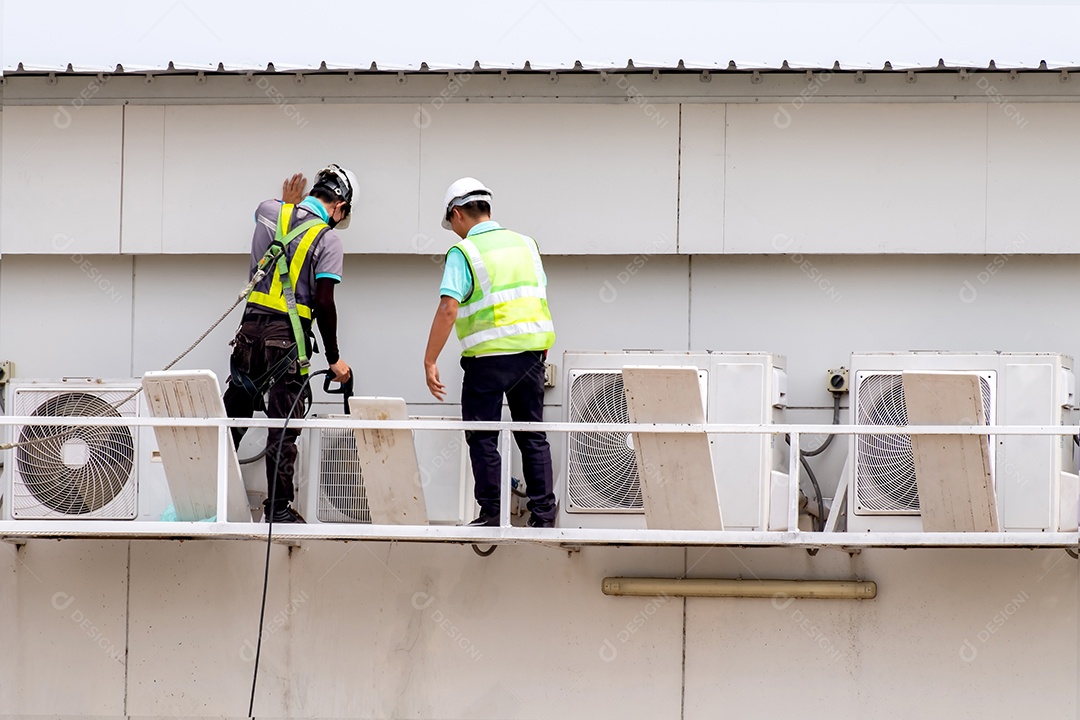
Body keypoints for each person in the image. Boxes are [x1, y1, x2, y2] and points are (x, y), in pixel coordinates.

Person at [223, 166, 356, 523]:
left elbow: (274, 216)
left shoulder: (269, 210)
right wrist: (334, 358)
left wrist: (288, 204)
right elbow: (324, 302)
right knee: (283, 429)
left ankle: (209, 496)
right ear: (340, 206)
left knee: (231, 420)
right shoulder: (328, 240)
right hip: (286, 341)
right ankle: (278, 510)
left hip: (249, 334)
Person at [423, 178, 558, 528]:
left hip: (486, 362)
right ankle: (544, 515)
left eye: (451, 223)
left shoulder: (465, 251)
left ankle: (493, 514)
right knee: (532, 434)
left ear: (457, 213)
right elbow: (538, 296)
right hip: (530, 357)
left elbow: (448, 309)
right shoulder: (527, 244)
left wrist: (430, 360)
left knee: (482, 436)